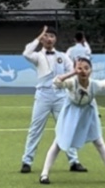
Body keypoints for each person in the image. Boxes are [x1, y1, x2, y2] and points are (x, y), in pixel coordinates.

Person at [39, 58, 105, 184]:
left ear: (91, 70)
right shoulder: (72, 82)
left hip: (88, 113)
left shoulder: (94, 84)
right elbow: (57, 82)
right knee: (58, 142)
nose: (83, 71)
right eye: (79, 68)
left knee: (99, 142)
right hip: (71, 112)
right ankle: (44, 174)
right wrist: (72, 73)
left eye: (86, 68)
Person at [20, 26, 81, 174]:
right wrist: (38, 36)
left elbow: (72, 71)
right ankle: (27, 161)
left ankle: (74, 161)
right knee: (35, 128)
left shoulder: (62, 56)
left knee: (65, 127)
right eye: (46, 36)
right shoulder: (38, 56)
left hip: (60, 95)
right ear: (42, 39)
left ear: (56, 39)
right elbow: (26, 53)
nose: (49, 39)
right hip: (43, 95)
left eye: (52, 36)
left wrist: (65, 82)